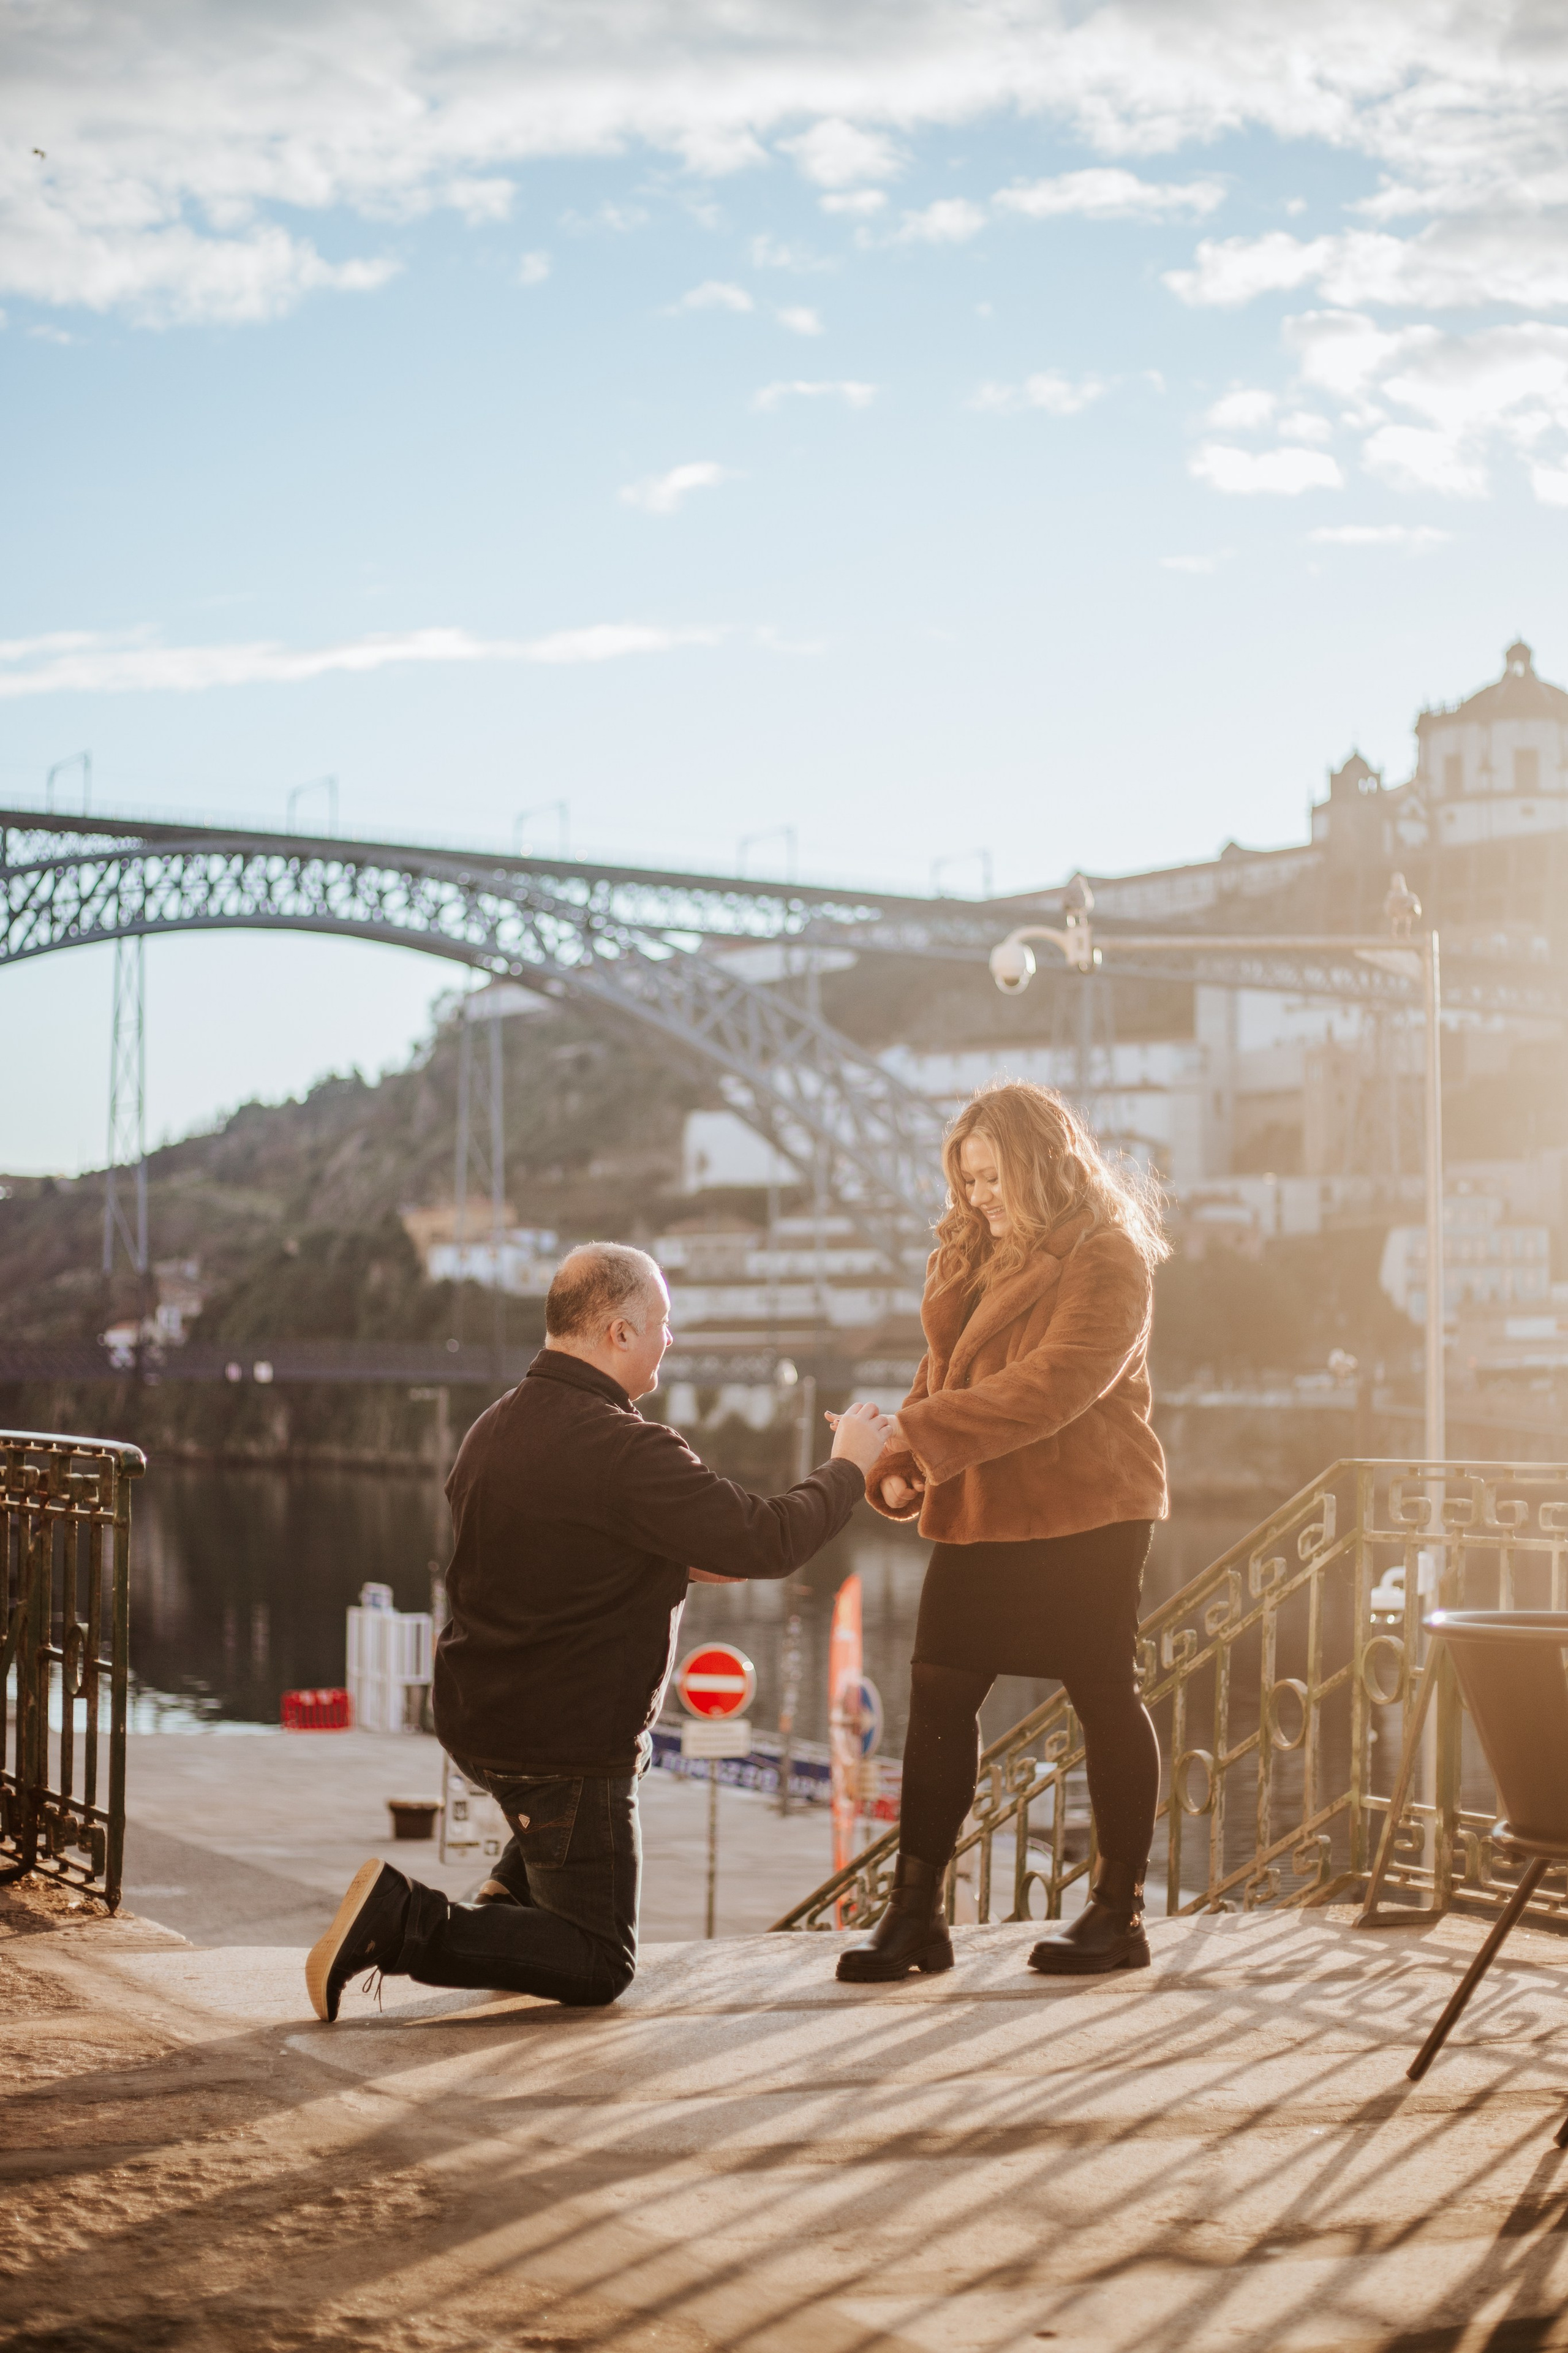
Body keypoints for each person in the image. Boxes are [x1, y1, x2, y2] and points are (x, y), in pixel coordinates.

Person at [306, 1241, 889, 2022]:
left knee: (570, 1835)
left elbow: (566, 1560)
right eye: (662, 1323)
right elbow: (767, 1539)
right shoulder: (622, 1447)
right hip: (562, 1747)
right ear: (618, 1331)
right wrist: (848, 1466)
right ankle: (405, 1921)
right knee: (599, 1959)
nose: (670, 1340)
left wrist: (674, 1562)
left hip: (480, 1716)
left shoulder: (494, 1430)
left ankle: (507, 1903)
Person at [836, 1081, 1169, 1985]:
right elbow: (941, 1372)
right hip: (986, 1503)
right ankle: (915, 1917)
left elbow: (1059, 1385)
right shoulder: (975, 1253)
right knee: (938, 1689)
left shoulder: (1108, 1253)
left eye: (992, 1175)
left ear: (1040, 1163)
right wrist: (900, 1458)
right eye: (967, 1177)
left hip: (1088, 1507)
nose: (977, 1194)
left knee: (1103, 1690)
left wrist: (919, 1436)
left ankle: (1117, 1912)